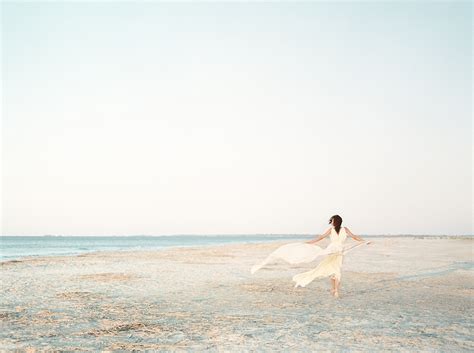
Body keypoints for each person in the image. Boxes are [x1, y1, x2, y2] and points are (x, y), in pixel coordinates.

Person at [292, 214, 371, 298]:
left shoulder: (333, 230)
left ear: (336, 222)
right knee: (335, 269)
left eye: (332, 221)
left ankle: (335, 289)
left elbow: (321, 237)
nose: (331, 222)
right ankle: (335, 290)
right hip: (337, 251)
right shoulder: (342, 229)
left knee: (334, 270)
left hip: (334, 251)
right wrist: (364, 241)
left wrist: (365, 241)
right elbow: (354, 237)